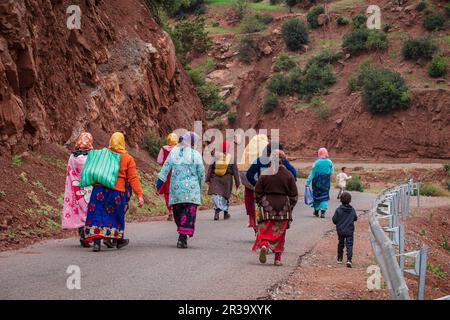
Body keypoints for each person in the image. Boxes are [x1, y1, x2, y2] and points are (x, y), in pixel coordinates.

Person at [84, 132, 144, 252]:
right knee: (115, 215)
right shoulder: (128, 158)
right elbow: (133, 178)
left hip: (99, 189)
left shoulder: (103, 154)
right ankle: (118, 240)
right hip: (116, 192)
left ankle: (96, 242)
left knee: (97, 212)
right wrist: (140, 195)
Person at [157, 132, 205, 249]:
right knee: (188, 215)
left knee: (178, 214)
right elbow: (201, 173)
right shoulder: (196, 155)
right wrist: (200, 187)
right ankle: (183, 236)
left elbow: (165, 168)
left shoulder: (173, 152)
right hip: (191, 192)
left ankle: (182, 235)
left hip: (176, 191)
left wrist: (159, 183)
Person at [252, 151, 298, 266]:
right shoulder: (288, 175)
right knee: (280, 234)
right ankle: (277, 259)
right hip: (283, 208)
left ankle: (264, 245)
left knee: (264, 229)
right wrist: (290, 206)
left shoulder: (265, 174)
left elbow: (257, 191)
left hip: (267, 206)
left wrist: (260, 203)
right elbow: (294, 195)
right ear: (284, 160)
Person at [62, 132, 94, 247]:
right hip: (90, 188)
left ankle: (82, 233)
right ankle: (89, 234)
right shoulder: (92, 156)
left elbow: (70, 173)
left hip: (77, 188)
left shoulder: (72, 156)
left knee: (81, 209)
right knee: (90, 210)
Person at [238, 134, 269, 234]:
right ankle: (264, 223)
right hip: (263, 177)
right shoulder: (266, 145)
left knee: (250, 199)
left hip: (247, 176)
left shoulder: (249, 146)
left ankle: (253, 223)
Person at [206, 140, 240, 221]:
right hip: (227, 179)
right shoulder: (231, 157)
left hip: (216, 178)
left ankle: (217, 213)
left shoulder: (216, 156)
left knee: (217, 195)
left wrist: (207, 179)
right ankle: (225, 213)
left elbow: (211, 168)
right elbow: (235, 170)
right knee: (225, 196)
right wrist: (237, 182)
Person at [305, 147, 334, 218]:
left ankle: (316, 211)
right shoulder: (330, 162)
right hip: (326, 183)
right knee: (324, 196)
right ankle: (323, 212)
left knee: (316, 196)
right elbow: (331, 172)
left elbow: (312, 173)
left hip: (316, 183)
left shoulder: (316, 162)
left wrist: (307, 182)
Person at [157, 133, 179, 221]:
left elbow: (159, 161)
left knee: (167, 193)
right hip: (177, 173)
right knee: (176, 191)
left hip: (167, 173)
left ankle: (170, 212)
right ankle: (176, 209)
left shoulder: (163, 149)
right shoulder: (179, 150)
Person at [332, 192, 357, 268]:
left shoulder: (338, 210)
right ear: (350, 200)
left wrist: (338, 223)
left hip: (340, 230)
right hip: (349, 230)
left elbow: (334, 220)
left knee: (341, 243)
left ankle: (339, 258)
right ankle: (349, 259)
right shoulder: (352, 210)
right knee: (349, 244)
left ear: (340, 200)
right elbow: (355, 218)